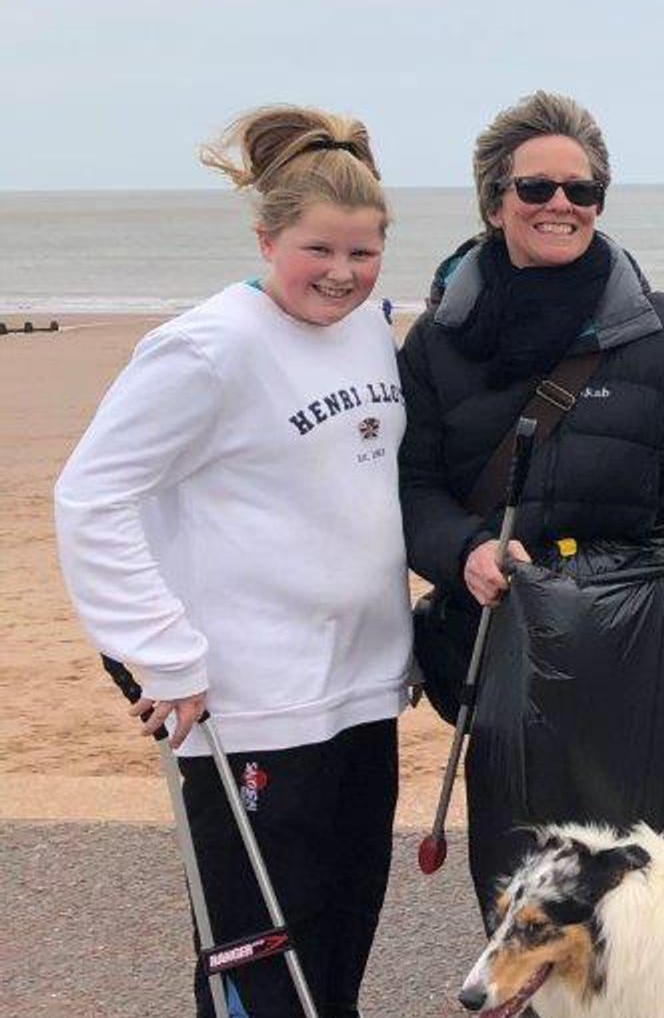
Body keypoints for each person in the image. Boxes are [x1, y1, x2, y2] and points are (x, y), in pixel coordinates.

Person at [397, 91, 664, 907]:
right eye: (536, 189)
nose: (560, 205)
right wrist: (463, 551)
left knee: (643, 867)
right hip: (509, 626)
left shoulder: (662, 328)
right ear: (494, 201)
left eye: (580, 190)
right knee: (526, 871)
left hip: (645, 628)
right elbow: (413, 488)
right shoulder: (438, 342)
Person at [56, 105, 410, 1018]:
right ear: (265, 237)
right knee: (261, 967)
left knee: (337, 946)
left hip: (364, 690)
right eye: (319, 251)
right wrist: (163, 653)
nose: (342, 275)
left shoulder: (371, 325)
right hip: (250, 708)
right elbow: (92, 497)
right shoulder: (205, 348)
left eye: (363, 253)